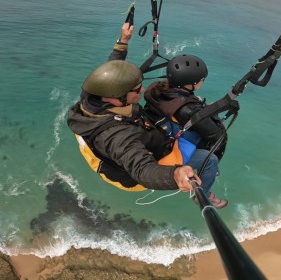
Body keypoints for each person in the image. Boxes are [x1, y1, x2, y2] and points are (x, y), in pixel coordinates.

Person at [67, 22, 228, 208]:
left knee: (191, 128)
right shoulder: (118, 136)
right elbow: (143, 170)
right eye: (136, 90)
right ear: (117, 97)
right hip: (138, 173)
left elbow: (112, 71)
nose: (142, 90)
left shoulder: (93, 96)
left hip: (147, 133)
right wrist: (174, 175)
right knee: (211, 159)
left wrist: (123, 42)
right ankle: (204, 196)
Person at [144, 54, 228, 161]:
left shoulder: (156, 89)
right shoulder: (190, 110)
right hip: (171, 149)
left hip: (156, 132)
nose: (203, 81)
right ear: (192, 83)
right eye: (202, 79)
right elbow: (218, 137)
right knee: (212, 160)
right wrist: (212, 113)